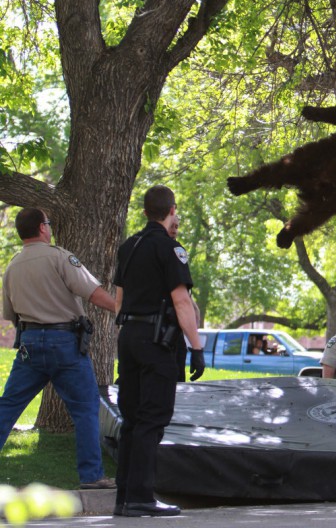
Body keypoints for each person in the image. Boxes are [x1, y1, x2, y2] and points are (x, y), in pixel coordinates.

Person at [0, 208, 116, 489]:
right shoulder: (60, 257)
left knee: (8, 406)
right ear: (42, 228)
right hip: (64, 343)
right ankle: (91, 476)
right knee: (86, 408)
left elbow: (10, 313)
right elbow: (93, 292)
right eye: (48, 224)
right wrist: (121, 310)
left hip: (28, 344)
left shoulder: (12, 266)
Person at [113, 185, 205, 517]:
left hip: (129, 337)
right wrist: (196, 347)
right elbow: (181, 301)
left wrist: (129, 337)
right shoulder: (170, 249)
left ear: (145, 211)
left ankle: (123, 497)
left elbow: (119, 303)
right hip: (157, 341)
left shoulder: (128, 247)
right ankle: (141, 497)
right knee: (153, 419)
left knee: (131, 419)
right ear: (172, 210)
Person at [168, 216, 201, 382]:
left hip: (174, 331)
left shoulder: (179, 250)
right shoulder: (174, 250)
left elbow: (183, 294)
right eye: (171, 225)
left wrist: (193, 308)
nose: (174, 230)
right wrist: (197, 348)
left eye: (177, 226)